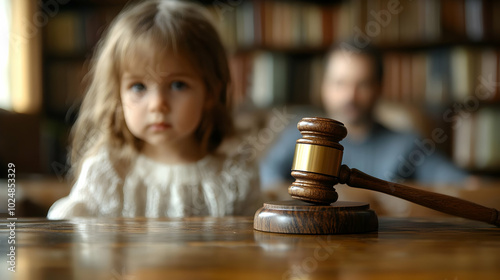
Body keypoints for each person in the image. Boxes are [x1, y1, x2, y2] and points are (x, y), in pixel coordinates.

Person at [48, 0, 261, 219]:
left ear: (210, 93)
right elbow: (71, 231)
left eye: (178, 85)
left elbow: (254, 241)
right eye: (139, 87)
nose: (157, 104)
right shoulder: (108, 172)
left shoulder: (236, 175)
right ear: (118, 95)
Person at [260, 43, 470, 192]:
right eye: (340, 83)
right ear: (324, 87)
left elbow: (461, 183)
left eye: (363, 84)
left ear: (379, 88)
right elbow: (266, 176)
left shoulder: (407, 144)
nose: (350, 96)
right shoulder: (299, 136)